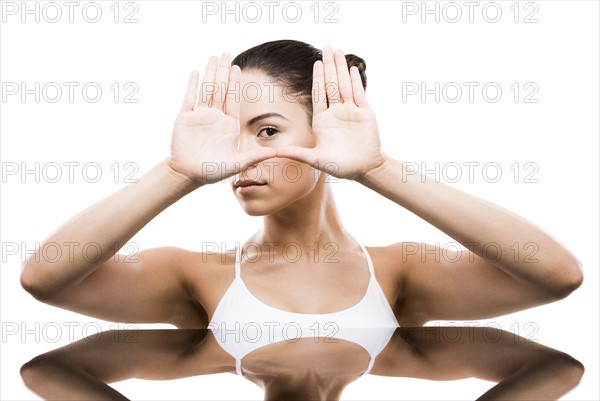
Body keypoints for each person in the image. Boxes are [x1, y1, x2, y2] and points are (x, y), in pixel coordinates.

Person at [20, 39, 583, 397]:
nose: (240, 157)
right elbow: (44, 281)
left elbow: (558, 277)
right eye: (228, 135)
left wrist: (377, 168)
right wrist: (178, 171)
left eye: (267, 130)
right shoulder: (200, 275)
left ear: (325, 133)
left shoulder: (398, 274)